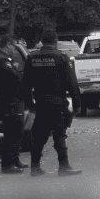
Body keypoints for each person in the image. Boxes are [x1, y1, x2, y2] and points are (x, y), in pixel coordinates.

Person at [22, 29, 82, 176]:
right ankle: (64, 166)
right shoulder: (61, 58)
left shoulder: (32, 58)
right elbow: (72, 84)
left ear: (42, 41)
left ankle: (34, 167)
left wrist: (30, 105)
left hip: (41, 102)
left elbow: (26, 85)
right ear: (55, 41)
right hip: (57, 102)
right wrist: (77, 104)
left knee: (40, 136)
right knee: (59, 134)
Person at [0, 35, 29, 173]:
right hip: (9, 100)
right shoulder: (1, 60)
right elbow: (14, 78)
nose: (15, 51)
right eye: (14, 47)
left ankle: (14, 160)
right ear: (8, 45)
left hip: (13, 100)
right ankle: (7, 164)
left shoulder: (3, 59)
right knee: (12, 132)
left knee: (18, 130)